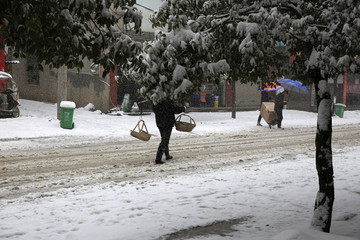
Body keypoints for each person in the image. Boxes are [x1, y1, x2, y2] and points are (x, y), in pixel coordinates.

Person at [153, 99, 185, 164]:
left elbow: (155, 109)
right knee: (165, 140)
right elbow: (175, 110)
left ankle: (167, 155)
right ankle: (158, 158)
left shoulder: (156, 100)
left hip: (159, 122)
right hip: (167, 122)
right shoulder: (168, 101)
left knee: (164, 138)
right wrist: (183, 108)